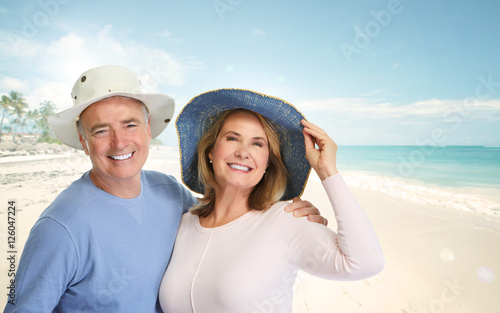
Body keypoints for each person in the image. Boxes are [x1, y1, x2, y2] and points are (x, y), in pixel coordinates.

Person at [4, 67, 325, 313]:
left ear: (147, 129)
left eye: (129, 124)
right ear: (83, 141)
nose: (119, 142)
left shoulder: (169, 191)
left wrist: (282, 213)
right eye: (101, 130)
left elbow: (224, 218)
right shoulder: (60, 228)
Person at [159, 89, 385, 312]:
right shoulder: (184, 222)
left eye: (257, 144)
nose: (243, 152)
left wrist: (327, 171)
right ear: (210, 151)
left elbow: (365, 262)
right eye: (232, 138)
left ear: (268, 162)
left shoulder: (287, 220)